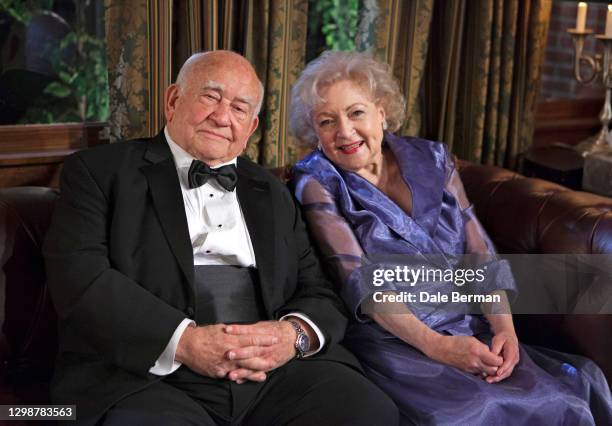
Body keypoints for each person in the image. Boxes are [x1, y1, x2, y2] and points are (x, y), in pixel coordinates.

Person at [43, 50, 399, 426]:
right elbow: (80, 276)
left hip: (268, 373)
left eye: (239, 108)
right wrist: (184, 342)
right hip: (148, 374)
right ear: (173, 100)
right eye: (210, 97)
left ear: (251, 126)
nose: (222, 116)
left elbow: (319, 289)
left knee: (368, 410)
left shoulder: (274, 191)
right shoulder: (99, 171)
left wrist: (290, 336)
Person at [290, 50, 612, 425]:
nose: (344, 131)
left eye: (356, 112)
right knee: (475, 412)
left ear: (381, 111)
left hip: (470, 322)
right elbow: (362, 285)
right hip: (399, 339)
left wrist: (504, 329)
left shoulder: (435, 157)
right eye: (327, 122)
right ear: (315, 133)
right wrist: (439, 347)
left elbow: (478, 253)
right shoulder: (316, 181)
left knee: (566, 399)